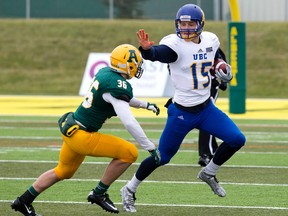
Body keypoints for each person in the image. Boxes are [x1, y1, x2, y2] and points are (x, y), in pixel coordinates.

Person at [120, 4, 246, 213]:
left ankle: (208, 172)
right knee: (162, 157)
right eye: (182, 24)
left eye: (190, 24)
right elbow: (160, 53)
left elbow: (216, 57)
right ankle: (129, 188)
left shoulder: (211, 39)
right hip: (182, 113)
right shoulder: (174, 45)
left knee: (237, 139)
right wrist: (147, 50)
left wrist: (223, 69)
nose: (186, 28)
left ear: (200, 24)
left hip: (206, 109)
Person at [11, 44, 161, 215]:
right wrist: (150, 146)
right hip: (83, 136)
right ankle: (98, 193)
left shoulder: (106, 73)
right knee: (129, 153)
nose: (139, 67)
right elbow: (129, 121)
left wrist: (144, 104)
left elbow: (122, 98)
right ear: (127, 64)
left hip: (72, 130)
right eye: (137, 63)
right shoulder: (117, 86)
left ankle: (23, 201)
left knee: (63, 171)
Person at [197, 48, 228, 167]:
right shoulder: (182, 44)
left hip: (210, 84)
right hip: (192, 89)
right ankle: (213, 149)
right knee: (201, 118)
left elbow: (220, 58)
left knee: (206, 117)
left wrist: (223, 79)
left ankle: (206, 153)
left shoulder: (209, 42)